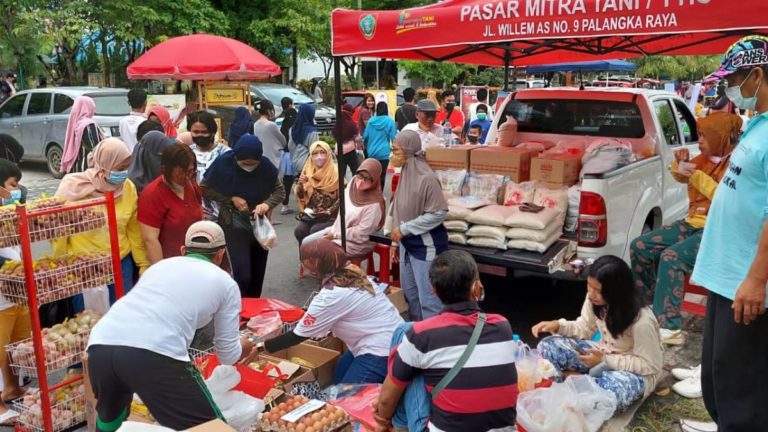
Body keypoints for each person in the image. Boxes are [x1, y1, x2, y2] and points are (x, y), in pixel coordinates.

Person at [86, 221, 258, 431]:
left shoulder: (160, 266)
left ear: (183, 250)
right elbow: (228, 355)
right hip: (154, 353)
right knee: (213, 427)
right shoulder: (226, 283)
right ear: (220, 254)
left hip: (101, 344)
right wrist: (246, 345)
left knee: (111, 420)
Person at [689, 35, 768, 431]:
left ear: (757, 75)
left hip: (748, 285)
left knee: (744, 396)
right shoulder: (758, 124)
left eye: (733, 79)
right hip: (727, 279)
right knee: (719, 383)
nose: (729, 89)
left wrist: (756, 279)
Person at [630, 112, 741, 349]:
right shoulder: (703, 159)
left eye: (704, 135)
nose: (699, 140)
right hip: (692, 223)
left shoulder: (736, 164)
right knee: (640, 246)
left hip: (717, 228)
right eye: (698, 134)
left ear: (720, 137)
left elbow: (725, 197)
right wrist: (677, 164)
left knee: (672, 257)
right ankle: (648, 309)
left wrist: (696, 175)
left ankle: (669, 327)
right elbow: (682, 177)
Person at [374, 250, 518, 432]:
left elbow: (387, 399)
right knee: (417, 354)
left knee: (407, 340)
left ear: (434, 291)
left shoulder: (422, 334)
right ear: (476, 287)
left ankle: (397, 427)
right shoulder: (502, 325)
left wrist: (382, 420)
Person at [533, 256, 663, 412]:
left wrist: (604, 361)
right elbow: (585, 328)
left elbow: (649, 365)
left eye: (598, 290)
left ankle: (575, 381)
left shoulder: (642, 320)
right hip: (600, 355)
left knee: (610, 392)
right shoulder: (595, 300)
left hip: (632, 372)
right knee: (548, 346)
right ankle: (581, 384)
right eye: (589, 286)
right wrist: (559, 325)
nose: (591, 294)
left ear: (616, 291)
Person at [264, 239, 403, 384]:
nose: (303, 266)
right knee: (337, 380)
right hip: (392, 337)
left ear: (314, 266)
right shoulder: (354, 272)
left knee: (347, 398)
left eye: (305, 262)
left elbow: (298, 335)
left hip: (381, 350)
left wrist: (264, 346)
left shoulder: (331, 295)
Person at [54, 138, 150, 303]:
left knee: (120, 313)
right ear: (104, 164)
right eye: (120, 168)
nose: (125, 173)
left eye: (127, 167)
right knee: (88, 319)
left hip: (120, 262)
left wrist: (143, 264)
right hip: (84, 266)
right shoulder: (74, 186)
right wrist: (60, 266)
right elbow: (59, 230)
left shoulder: (128, 188)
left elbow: (133, 230)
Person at [201, 135, 285, 298]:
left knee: (257, 275)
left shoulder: (265, 166)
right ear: (237, 158)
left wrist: (267, 204)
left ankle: (252, 311)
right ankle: (236, 308)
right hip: (232, 224)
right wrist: (230, 199)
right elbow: (204, 188)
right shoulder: (223, 164)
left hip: (259, 224)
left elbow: (279, 191)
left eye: (253, 164)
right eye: (245, 164)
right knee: (242, 275)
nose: (249, 167)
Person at [390, 130, 448, 320]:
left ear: (408, 151)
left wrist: (405, 229)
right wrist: (395, 243)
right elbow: (399, 206)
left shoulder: (427, 178)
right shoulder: (406, 172)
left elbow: (439, 213)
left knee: (429, 300)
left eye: (396, 150)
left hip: (426, 246)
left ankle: (435, 342)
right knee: (411, 295)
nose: (393, 155)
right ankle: (418, 335)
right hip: (407, 245)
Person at [304, 159, 386, 259]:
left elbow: (362, 234)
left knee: (319, 250)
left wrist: (336, 235)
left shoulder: (374, 204)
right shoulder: (353, 184)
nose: (361, 181)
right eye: (360, 175)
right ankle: (320, 271)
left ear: (375, 180)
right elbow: (342, 201)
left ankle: (331, 273)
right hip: (337, 230)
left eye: (367, 178)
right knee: (306, 243)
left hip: (357, 243)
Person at [0, 160, 29, 425]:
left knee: (14, 346)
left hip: (13, 293)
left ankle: (12, 388)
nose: (17, 189)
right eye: (12, 184)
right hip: (1, 293)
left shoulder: (7, 213)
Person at [138, 144, 202, 265]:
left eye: (190, 171)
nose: (187, 177)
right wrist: (162, 271)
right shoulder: (152, 194)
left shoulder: (191, 185)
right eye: (181, 173)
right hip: (171, 262)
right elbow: (150, 240)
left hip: (195, 259)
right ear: (167, 169)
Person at [187, 111, 231, 221]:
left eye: (204, 132)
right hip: (194, 214)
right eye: (196, 132)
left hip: (223, 214)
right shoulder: (186, 153)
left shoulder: (225, 153)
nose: (200, 135)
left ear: (212, 132)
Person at [294, 142, 340, 245]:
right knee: (300, 231)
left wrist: (328, 211)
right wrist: (301, 185)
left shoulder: (336, 173)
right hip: (312, 215)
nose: (319, 157)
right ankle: (305, 259)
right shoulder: (308, 171)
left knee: (315, 231)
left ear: (328, 154)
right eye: (315, 154)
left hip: (331, 216)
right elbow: (302, 198)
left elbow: (343, 198)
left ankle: (319, 259)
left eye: (322, 153)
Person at [61, 96, 105, 173]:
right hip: (87, 169)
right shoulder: (88, 125)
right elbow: (96, 148)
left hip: (76, 168)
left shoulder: (76, 123)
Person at [363, 102, 397, 184]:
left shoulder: (371, 121)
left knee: (372, 175)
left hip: (372, 152)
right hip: (384, 153)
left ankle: (372, 194)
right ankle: (380, 194)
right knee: (382, 175)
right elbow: (394, 138)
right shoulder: (390, 121)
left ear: (376, 110)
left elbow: (365, 137)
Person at [253, 100, 285, 169]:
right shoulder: (271, 125)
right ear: (268, 110)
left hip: (259, 160)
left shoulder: (255, 124)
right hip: (272, 160)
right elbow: (283, 141)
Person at [279, 97, 298, 215]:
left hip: (284, 154)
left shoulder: (280, 121)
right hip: (296, 154)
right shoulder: (296, 125)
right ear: (290, 105)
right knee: (301, 179)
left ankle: (284, 204)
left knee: (287, 181)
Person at [288, 103, 319, 175]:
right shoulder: (312, 132)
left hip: (294, 164)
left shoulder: (292, 129)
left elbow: (290, 146)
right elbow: (315, 151)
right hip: (307, 167)